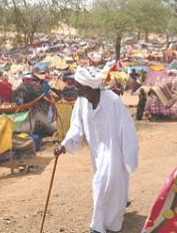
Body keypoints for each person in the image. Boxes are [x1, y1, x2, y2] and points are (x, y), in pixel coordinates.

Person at [54, 66, 139, 233]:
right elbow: (76, 126)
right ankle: (119, 208)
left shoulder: (113, 101)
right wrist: (64, 144)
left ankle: (97, 227)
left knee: (100, 185)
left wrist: (129, 158)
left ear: (89, 88)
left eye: (78, 85)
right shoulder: (81, 102)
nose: (75, 88)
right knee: (112, 187)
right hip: (97, 153)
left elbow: (127, 130)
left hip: (115, 151)